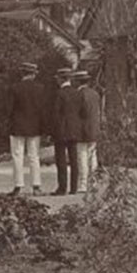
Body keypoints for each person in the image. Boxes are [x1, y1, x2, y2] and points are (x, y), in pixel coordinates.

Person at [5, 62, 45, 196]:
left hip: (17, 126)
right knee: (34, 157)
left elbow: (8, 109)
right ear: (33, 74)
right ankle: (36, 186)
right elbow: (43, 110)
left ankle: (18, 186)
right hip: (35, 126)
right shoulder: (40, 88)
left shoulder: (14, 88)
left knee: (17, 156)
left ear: (22, 73)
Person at [53, 66, 84, 194]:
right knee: (74, 159)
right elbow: (82, 112)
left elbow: (55, 114)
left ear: (61, 79)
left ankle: (62, 187)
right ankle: (74, 187)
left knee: (61, 160)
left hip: (61, 130)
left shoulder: (59, 93)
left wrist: (53, 130)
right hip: (75, 129)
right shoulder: (77, 93)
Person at [73, 70, 101, 192]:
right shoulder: (95, 94)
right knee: (93, 156)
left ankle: (83, 184)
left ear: (78, 81)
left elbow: (79, 113)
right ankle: (94, 182)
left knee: (82, 156)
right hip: (94, 128)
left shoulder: (78, 95)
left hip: (81, 129)